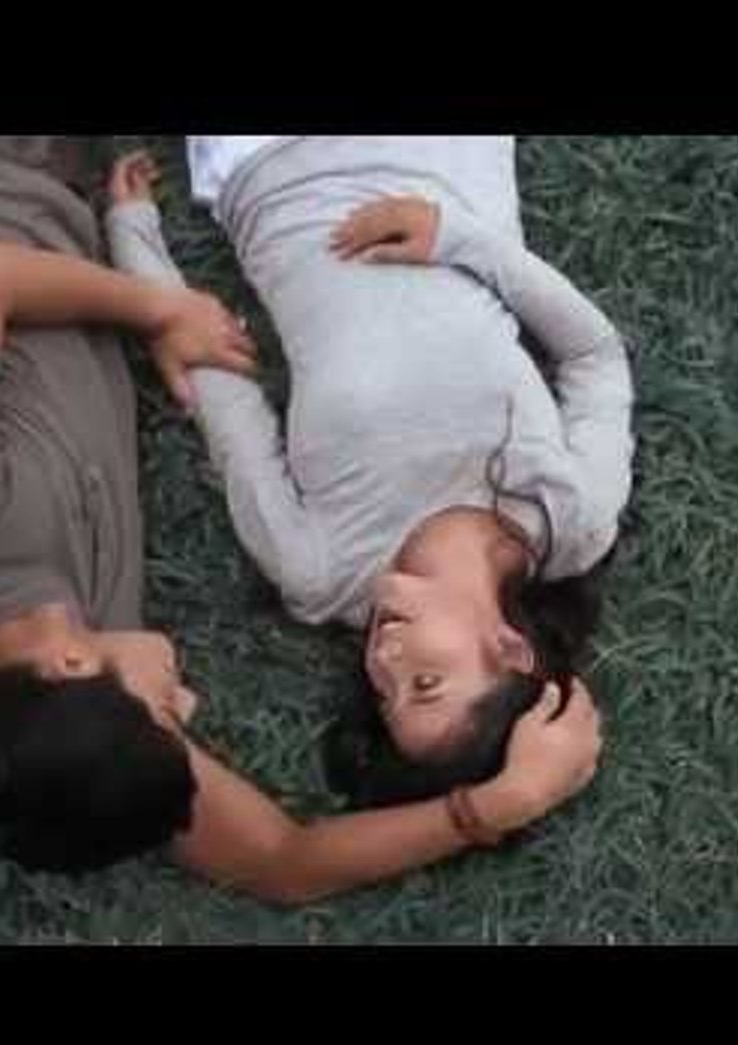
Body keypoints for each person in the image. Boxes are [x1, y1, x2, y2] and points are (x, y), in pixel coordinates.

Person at [0, 136, 604, 903]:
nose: (190, 698)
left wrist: (158, 311)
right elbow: (280, 861)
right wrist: (492, 805)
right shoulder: (69, 706)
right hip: (48, 185)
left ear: (71, 663)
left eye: (168, 707)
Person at [106, 137, 634, 809]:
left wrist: (137, 248)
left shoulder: (321, 571)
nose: (384, 663)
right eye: (426, 683)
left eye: (387, 694)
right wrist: (456, 237)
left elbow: (229, 407)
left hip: (271, 168)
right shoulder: (572, 518)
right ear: (509, 649)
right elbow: (594, 357)